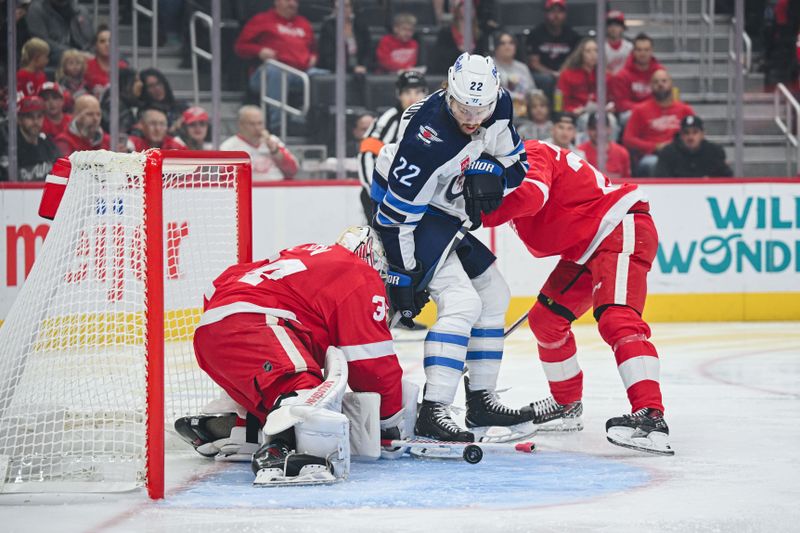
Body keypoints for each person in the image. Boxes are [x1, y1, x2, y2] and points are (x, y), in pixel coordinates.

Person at [371, 53, 533, 442]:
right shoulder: (427, 140)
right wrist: (402, 273)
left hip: (448, 217)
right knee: (463, 304)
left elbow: (517, 165)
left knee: (495, 297)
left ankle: (480, 402)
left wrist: (493, 171)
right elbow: (394, 220)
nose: (471, 119)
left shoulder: (500, 105)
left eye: (480, 109)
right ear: (447, 90)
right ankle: (434, 410)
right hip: (416, 218)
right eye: (462, 108)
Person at [481, 139, 674, 456]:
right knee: (546, 321)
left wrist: (478, 213)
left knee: (618, 318)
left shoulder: (529, 154)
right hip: (585, 248)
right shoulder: (505, 174)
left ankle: (651, 417)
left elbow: (533, 196)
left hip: (619, 224)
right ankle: (566, 404)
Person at [180, 226, 410, 484]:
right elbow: (371, 363)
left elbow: (220, 285)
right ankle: (276, 455)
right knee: (306, 393)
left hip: (212, 331)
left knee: (277, 397)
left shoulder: (305, 256)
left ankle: (236, 426)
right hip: (255, 324)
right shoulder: (359, 272)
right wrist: (389, 421)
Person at [234, 0, 317, 129]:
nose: (292, 4)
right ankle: (278, 123)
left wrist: (314, 57)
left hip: (301, 73)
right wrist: (259, 50)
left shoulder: (303, 23)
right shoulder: (262, 20)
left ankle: (317, 123)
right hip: (266, 73)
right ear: (277, 2)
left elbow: (314, 49)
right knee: (277, 72)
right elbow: (240, 47)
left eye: (295, 1)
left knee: (325, 77)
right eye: (288, 1)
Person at [358, 71, 428, 221]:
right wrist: (375, 190)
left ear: (425, 93)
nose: (412, 97)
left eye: (417, 92)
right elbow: (367, 155)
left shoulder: (434, 120)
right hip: (386, 194)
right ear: (399, 94)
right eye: (407, 92)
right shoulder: (387, 120)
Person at [623, 69, 695, 176]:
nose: (660, 84)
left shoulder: (685, 110)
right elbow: (628, 139)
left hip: (680, 153)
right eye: (656, 82)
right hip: (652, 156)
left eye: (664, 81)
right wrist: (655, 146)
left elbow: (696, 134)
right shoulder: (640, 110)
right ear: (651, 86)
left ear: (671, 84)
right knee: (654, 164)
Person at [220, 106, 299, 181]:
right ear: (241, 125)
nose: (257, 128)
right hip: (246, 190)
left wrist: (275, 150)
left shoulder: (273, 141)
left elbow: (292, 170)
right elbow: (225, 178)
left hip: (277, 189)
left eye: (260, 123)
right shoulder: (229, 147)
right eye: (252, 124)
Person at [525, 0, 583, 99]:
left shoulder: (573, 35)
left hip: (565, 71)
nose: (556, 15)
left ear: (565, 14)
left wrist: (563, 73)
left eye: (560, 12)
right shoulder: (535, 34)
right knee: (547, 80)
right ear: (546, 14)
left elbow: (575, 60)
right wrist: (553, 73)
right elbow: (534, 63)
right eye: (552, 11)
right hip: (543, 73)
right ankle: (547, 111)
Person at [0, 95, 59, 181]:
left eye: (39, 116)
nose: (35, 121)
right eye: (29, 116)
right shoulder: (9, 146)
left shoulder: (47, 143)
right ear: (19, 119)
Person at [654, 115, 733, 177]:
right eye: (686, 133)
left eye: (695, 132)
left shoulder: (714, 152)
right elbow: (661, 178)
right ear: (681, 135)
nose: (690, 137)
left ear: (702, 134)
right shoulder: (668, 153)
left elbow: (726, 176)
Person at [610, 33, 663, 120]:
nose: (643, 53)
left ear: (651, 51)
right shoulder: (622, 75)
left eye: (646, 50)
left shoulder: (660, 73)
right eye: (639, 50)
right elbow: (621, 104)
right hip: (631, 113)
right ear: (633, 51)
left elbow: (665, 98)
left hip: (656, 111)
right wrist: (643, 109)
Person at [25, 0, 93, 64]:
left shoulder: (81, 11)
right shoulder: (36, 9)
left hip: (83, 56)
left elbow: (90, 40)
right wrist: (76, 54)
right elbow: (41, 42)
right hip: (52, 58)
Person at [428, 0, 486, 75]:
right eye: (463, 7)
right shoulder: (446, 33)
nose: (468, 9)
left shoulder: (479, 35)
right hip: (449, 73)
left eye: (471, 7)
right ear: (457, 10)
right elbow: (440, 59)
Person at [316, 0, 371, 74]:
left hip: (360, 71)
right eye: (338, 8)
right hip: (334, 72)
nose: (343, 10)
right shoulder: (328, 28)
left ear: (351, 8)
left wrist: (364, 66)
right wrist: (352, 69)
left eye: (346, 6)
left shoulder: (360, 25)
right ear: (334, 10)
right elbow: (328, 58)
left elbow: (368, 50)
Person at [492, 32, 536, 118]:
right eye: (503, 43)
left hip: (524, 112)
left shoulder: (522, 67)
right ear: (496, 48)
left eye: (511, 43)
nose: (507, 46)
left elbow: (532, 91)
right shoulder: (489, 65)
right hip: (499, 113)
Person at [577, 113, 631, 179]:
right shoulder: (579, 152)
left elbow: (627, 180)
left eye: (602, 128)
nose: (598, 132)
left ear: (609, 129)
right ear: (588, 130)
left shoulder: (622, 152)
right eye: (594, 128)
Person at [138, 68, 187, 134]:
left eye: (159, 83)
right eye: (151, 86)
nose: (157, 88)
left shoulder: (181, 107)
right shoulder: (143, 113)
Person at [84, 25, 128, 98]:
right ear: (95, 45)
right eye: (102, 41)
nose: (107, 44)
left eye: (110, 41)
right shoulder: (87, 66)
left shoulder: (123, 67)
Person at [605, 10, 633, 75]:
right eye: (610, 25)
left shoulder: (629, 47)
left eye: (617, 25)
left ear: (622, 28)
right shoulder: (601, 48)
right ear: (606, 28)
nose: (613, 28)